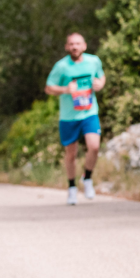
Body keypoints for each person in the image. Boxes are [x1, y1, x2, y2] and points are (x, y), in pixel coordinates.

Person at [45, 33, 106, 206]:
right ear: (66, 47)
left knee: (94, 146)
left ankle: (87, 177)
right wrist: (65, 90)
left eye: (78, 44)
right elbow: (48, 88)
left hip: (89, 113)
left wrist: (100, 84)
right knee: (71, 153)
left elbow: (101, 76)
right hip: (68, 117)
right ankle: (71, 187)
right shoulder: (61, 66)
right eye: (71, 44)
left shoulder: (94, 61)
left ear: (84, 46)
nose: (74, 47)